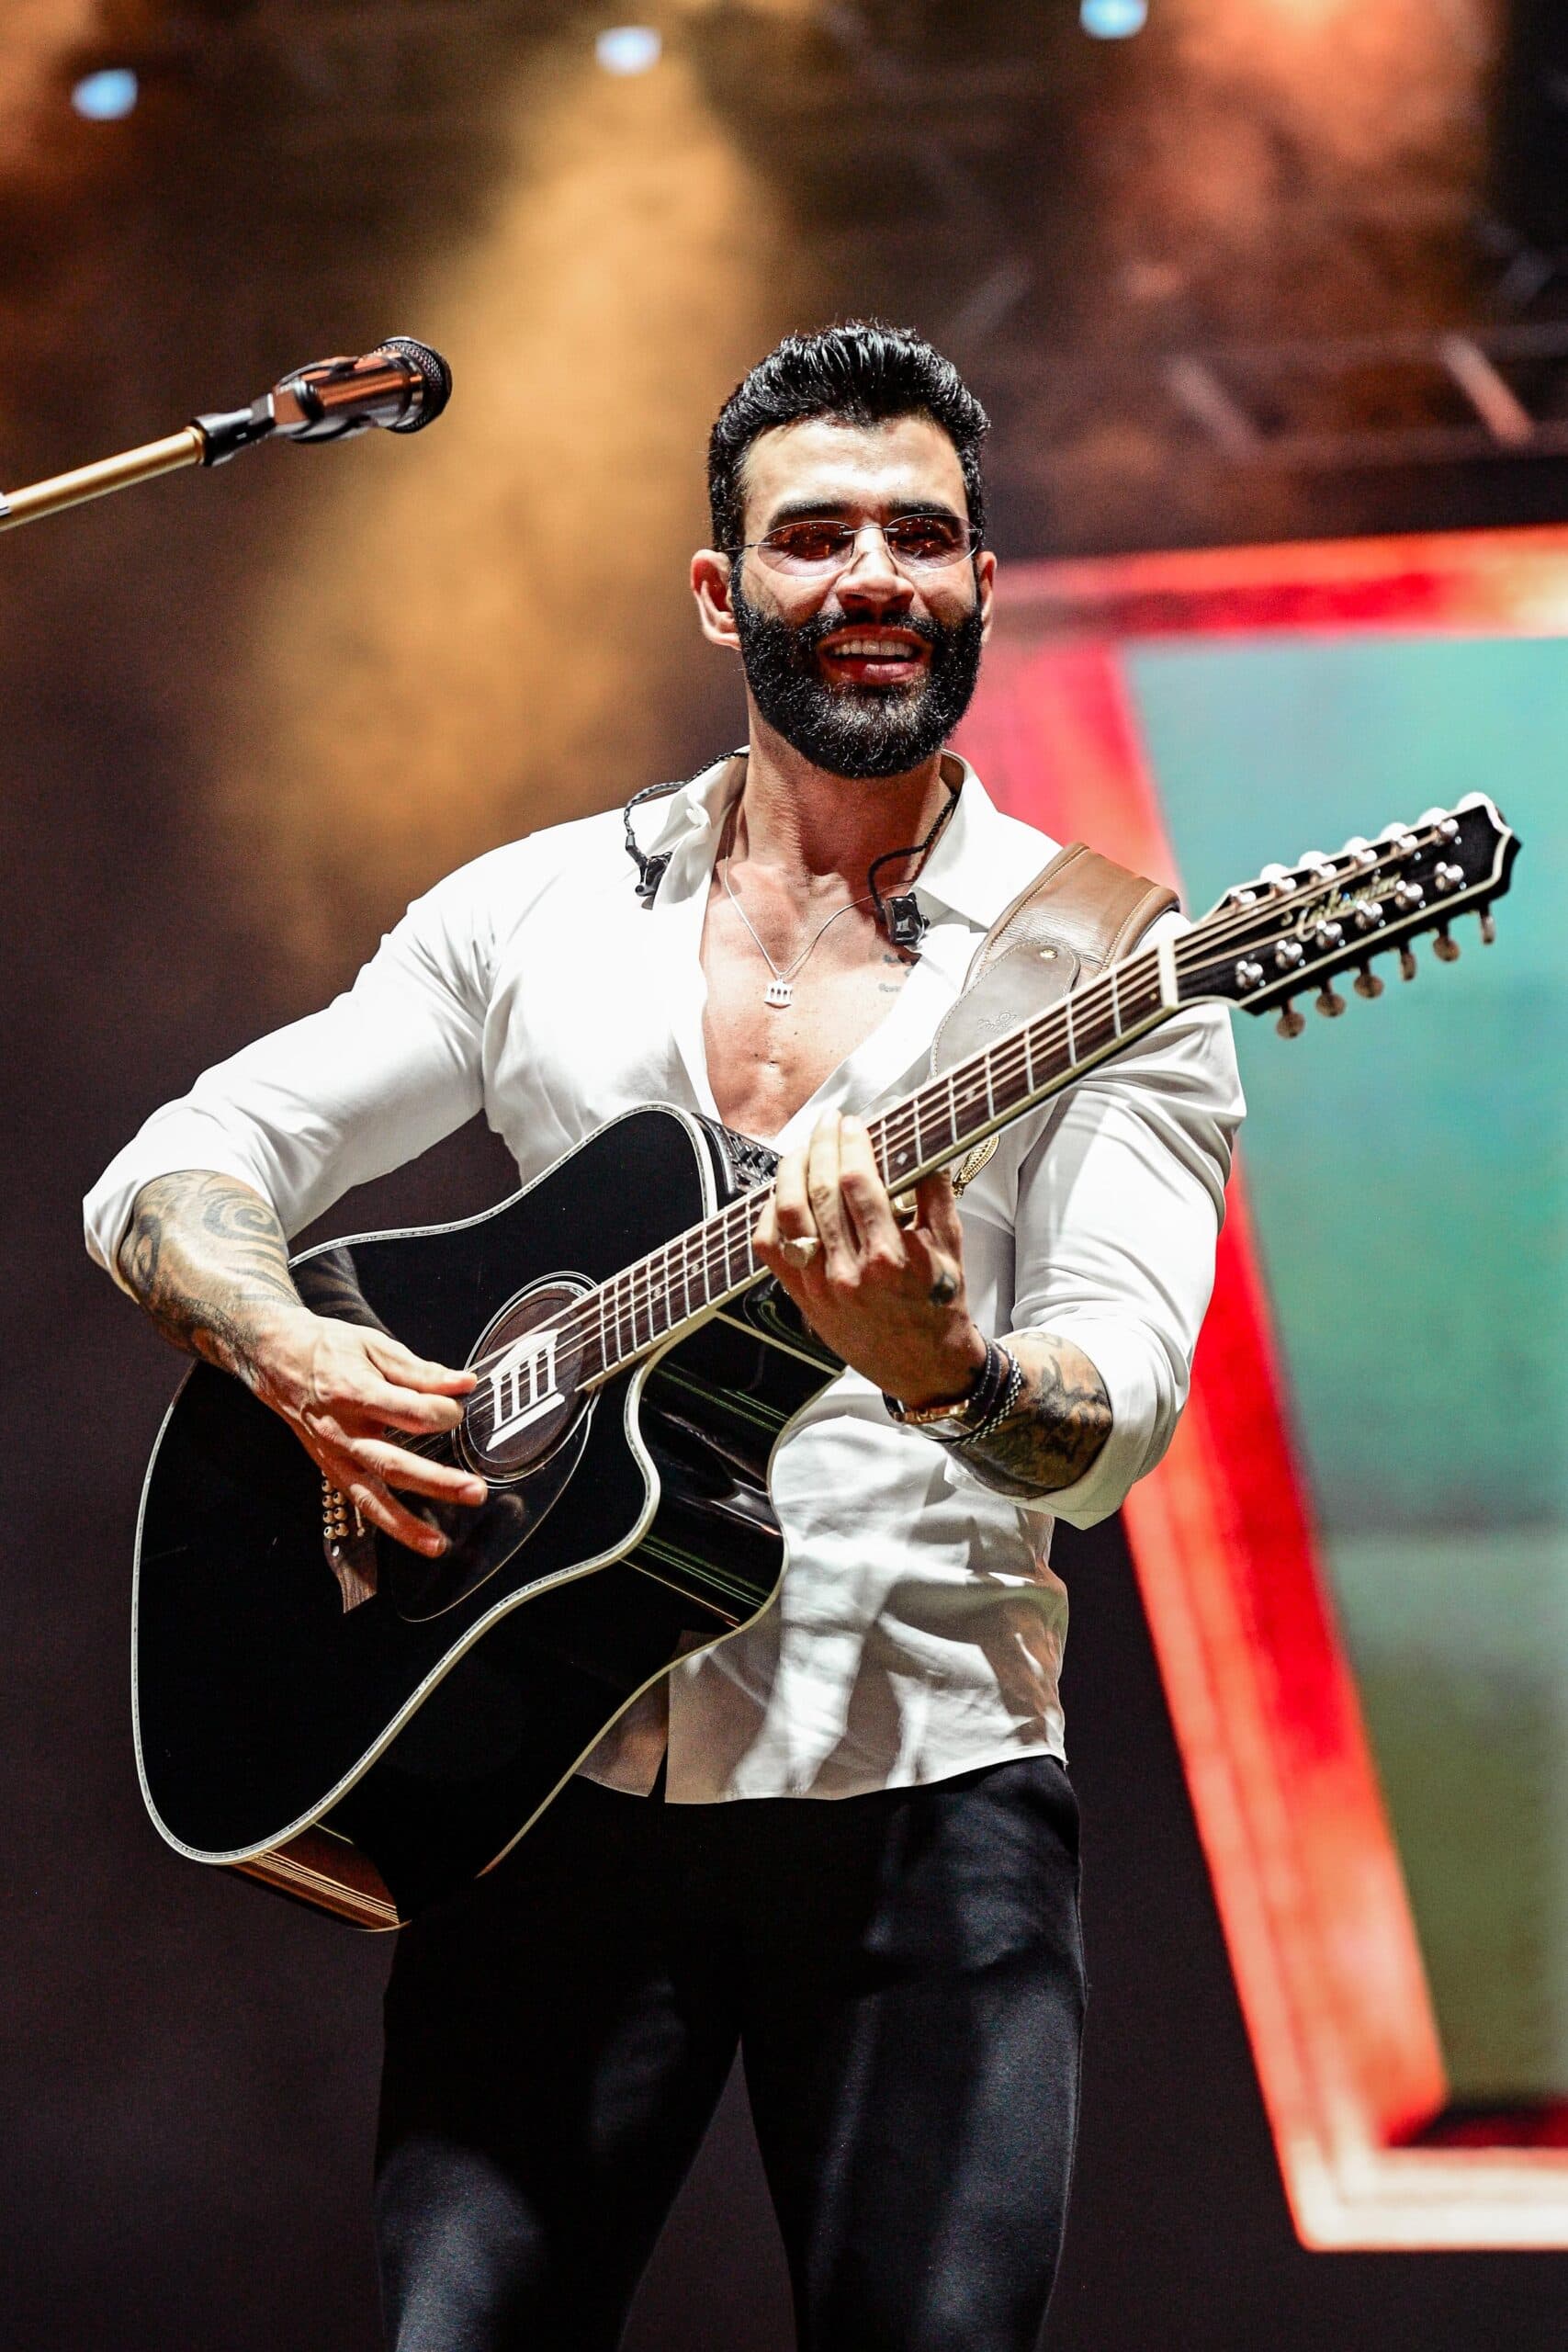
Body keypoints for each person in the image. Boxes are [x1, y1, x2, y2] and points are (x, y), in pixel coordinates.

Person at [85, 322, 1242, 2352]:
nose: (873, 575)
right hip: (541, 1790)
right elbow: (175, 1167)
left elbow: (1115, 1416)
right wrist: (291, 1350)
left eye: (923, 537)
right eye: (816, 535)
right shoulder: (533, 911)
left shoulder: (1111, 965)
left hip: (923, 1803)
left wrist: (942, 1364)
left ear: (984, 582)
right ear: (721, 591)